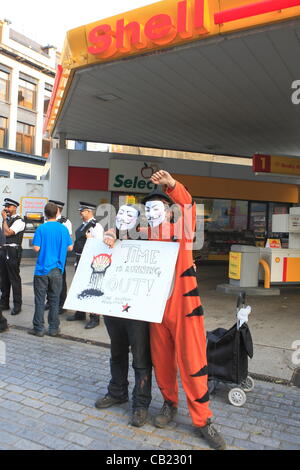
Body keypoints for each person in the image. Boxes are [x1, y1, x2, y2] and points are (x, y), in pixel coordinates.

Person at [142, 170, 226, 450]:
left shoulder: (181, 231)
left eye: (158, 207)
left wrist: (173, 186)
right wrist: (109, 232)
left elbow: (188, 209)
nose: (152, 212)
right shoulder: (141, 236)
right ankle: (169, 403)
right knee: (162, 360)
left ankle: (203, 420)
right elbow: (117, 233)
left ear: (168, 210)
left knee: (192, 361)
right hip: (155, 308)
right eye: (148, 208)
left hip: (184, 306)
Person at [95, 204, 152, 428]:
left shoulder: (146, 241)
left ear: (138, 221)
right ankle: (117, 391)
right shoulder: (109, 239)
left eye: (130, 214)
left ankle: (141, 405)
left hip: (137, 311)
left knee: (140, 358)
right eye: (120, 213)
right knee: (117, 353)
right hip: (113, 308)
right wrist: (109, 234)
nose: (124, 217)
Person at [28, 202, 73, 337]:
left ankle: (39, 328)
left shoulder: (41, 228)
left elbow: (36, 248)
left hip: (42, 269)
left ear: (45, 214)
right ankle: (53, 328)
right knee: (54, 300)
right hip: (58, 269)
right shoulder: (63, 229)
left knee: (40, 300)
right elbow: (70, 247)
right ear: (57, 212)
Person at [66, 202, 104, 329]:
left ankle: (94, 318)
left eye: (82, 211)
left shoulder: (96, 226)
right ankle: (80, 313)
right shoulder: (84, 224)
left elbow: (99, 246)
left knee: (91, 289)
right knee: (79, 286)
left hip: (89, 261)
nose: (80, 213)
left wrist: (90, 239)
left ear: (89, 211)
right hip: (80, 258)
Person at [45, 200, 72, 314]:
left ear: (57, 209)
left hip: (59, 255)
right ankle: (49, 301)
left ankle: (62, 303)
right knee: (47, 278)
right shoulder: (46, 220)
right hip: (48, 254)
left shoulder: (65, 222)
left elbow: (68, 241)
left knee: (60, 278)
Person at [0, 198, 25, 315]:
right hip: (4, 250)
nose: (6, 209)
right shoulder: (7, 220)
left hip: (13, 251)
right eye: (6, 206)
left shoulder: (19, 221)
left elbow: (8, 233)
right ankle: (4, 303)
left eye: (8, 206)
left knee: (14, 278)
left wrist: (4, 219)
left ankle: (17, 305)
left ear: (15, 207)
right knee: (3, 278)